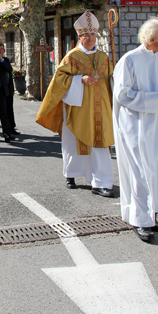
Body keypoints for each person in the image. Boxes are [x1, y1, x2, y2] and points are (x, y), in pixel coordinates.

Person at [113, 17, 158, 242]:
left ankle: (151, 215)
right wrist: (157, 98)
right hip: (137, 124)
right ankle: (140, 220)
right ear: (152, 39)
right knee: (140, 172)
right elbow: (123, 95)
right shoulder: (130, 60)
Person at [36, 11, 115, 197]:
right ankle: (71, 174)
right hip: (77, 108)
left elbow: (112, 80)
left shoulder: (104, 57)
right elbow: (59, 81)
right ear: (79, 36)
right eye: (86, 35)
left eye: (93, 34)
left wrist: (117, 78)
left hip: (101, 110)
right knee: (73, 143)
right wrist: (79, 79)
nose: (90, 38)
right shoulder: (71, 57)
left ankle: (102, 182)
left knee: (101, 144)